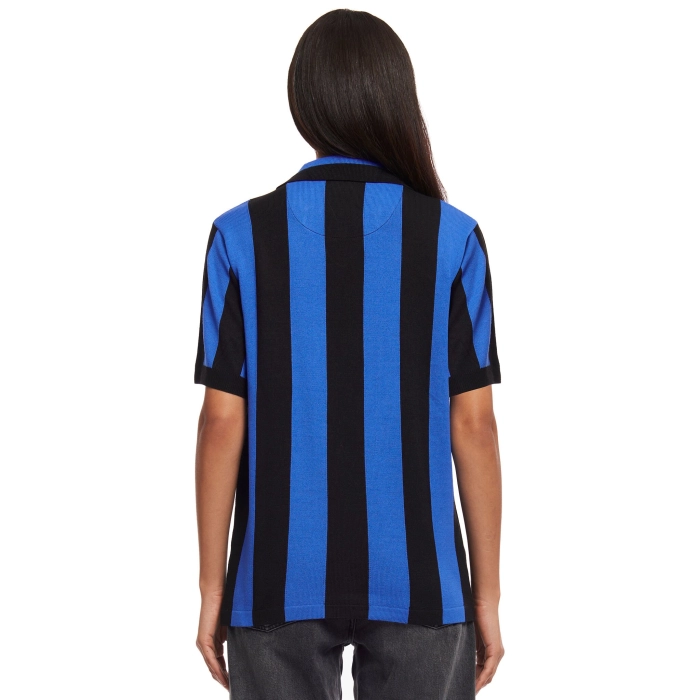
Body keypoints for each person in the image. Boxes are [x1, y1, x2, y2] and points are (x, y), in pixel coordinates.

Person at [193, 9, 504, 699]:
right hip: (422, 578)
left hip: (274, 577)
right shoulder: (453, 239)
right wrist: (485, 596)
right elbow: (474, 424)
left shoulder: (240, 236)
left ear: (303, 102)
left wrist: (213, 588)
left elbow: (221, 421)